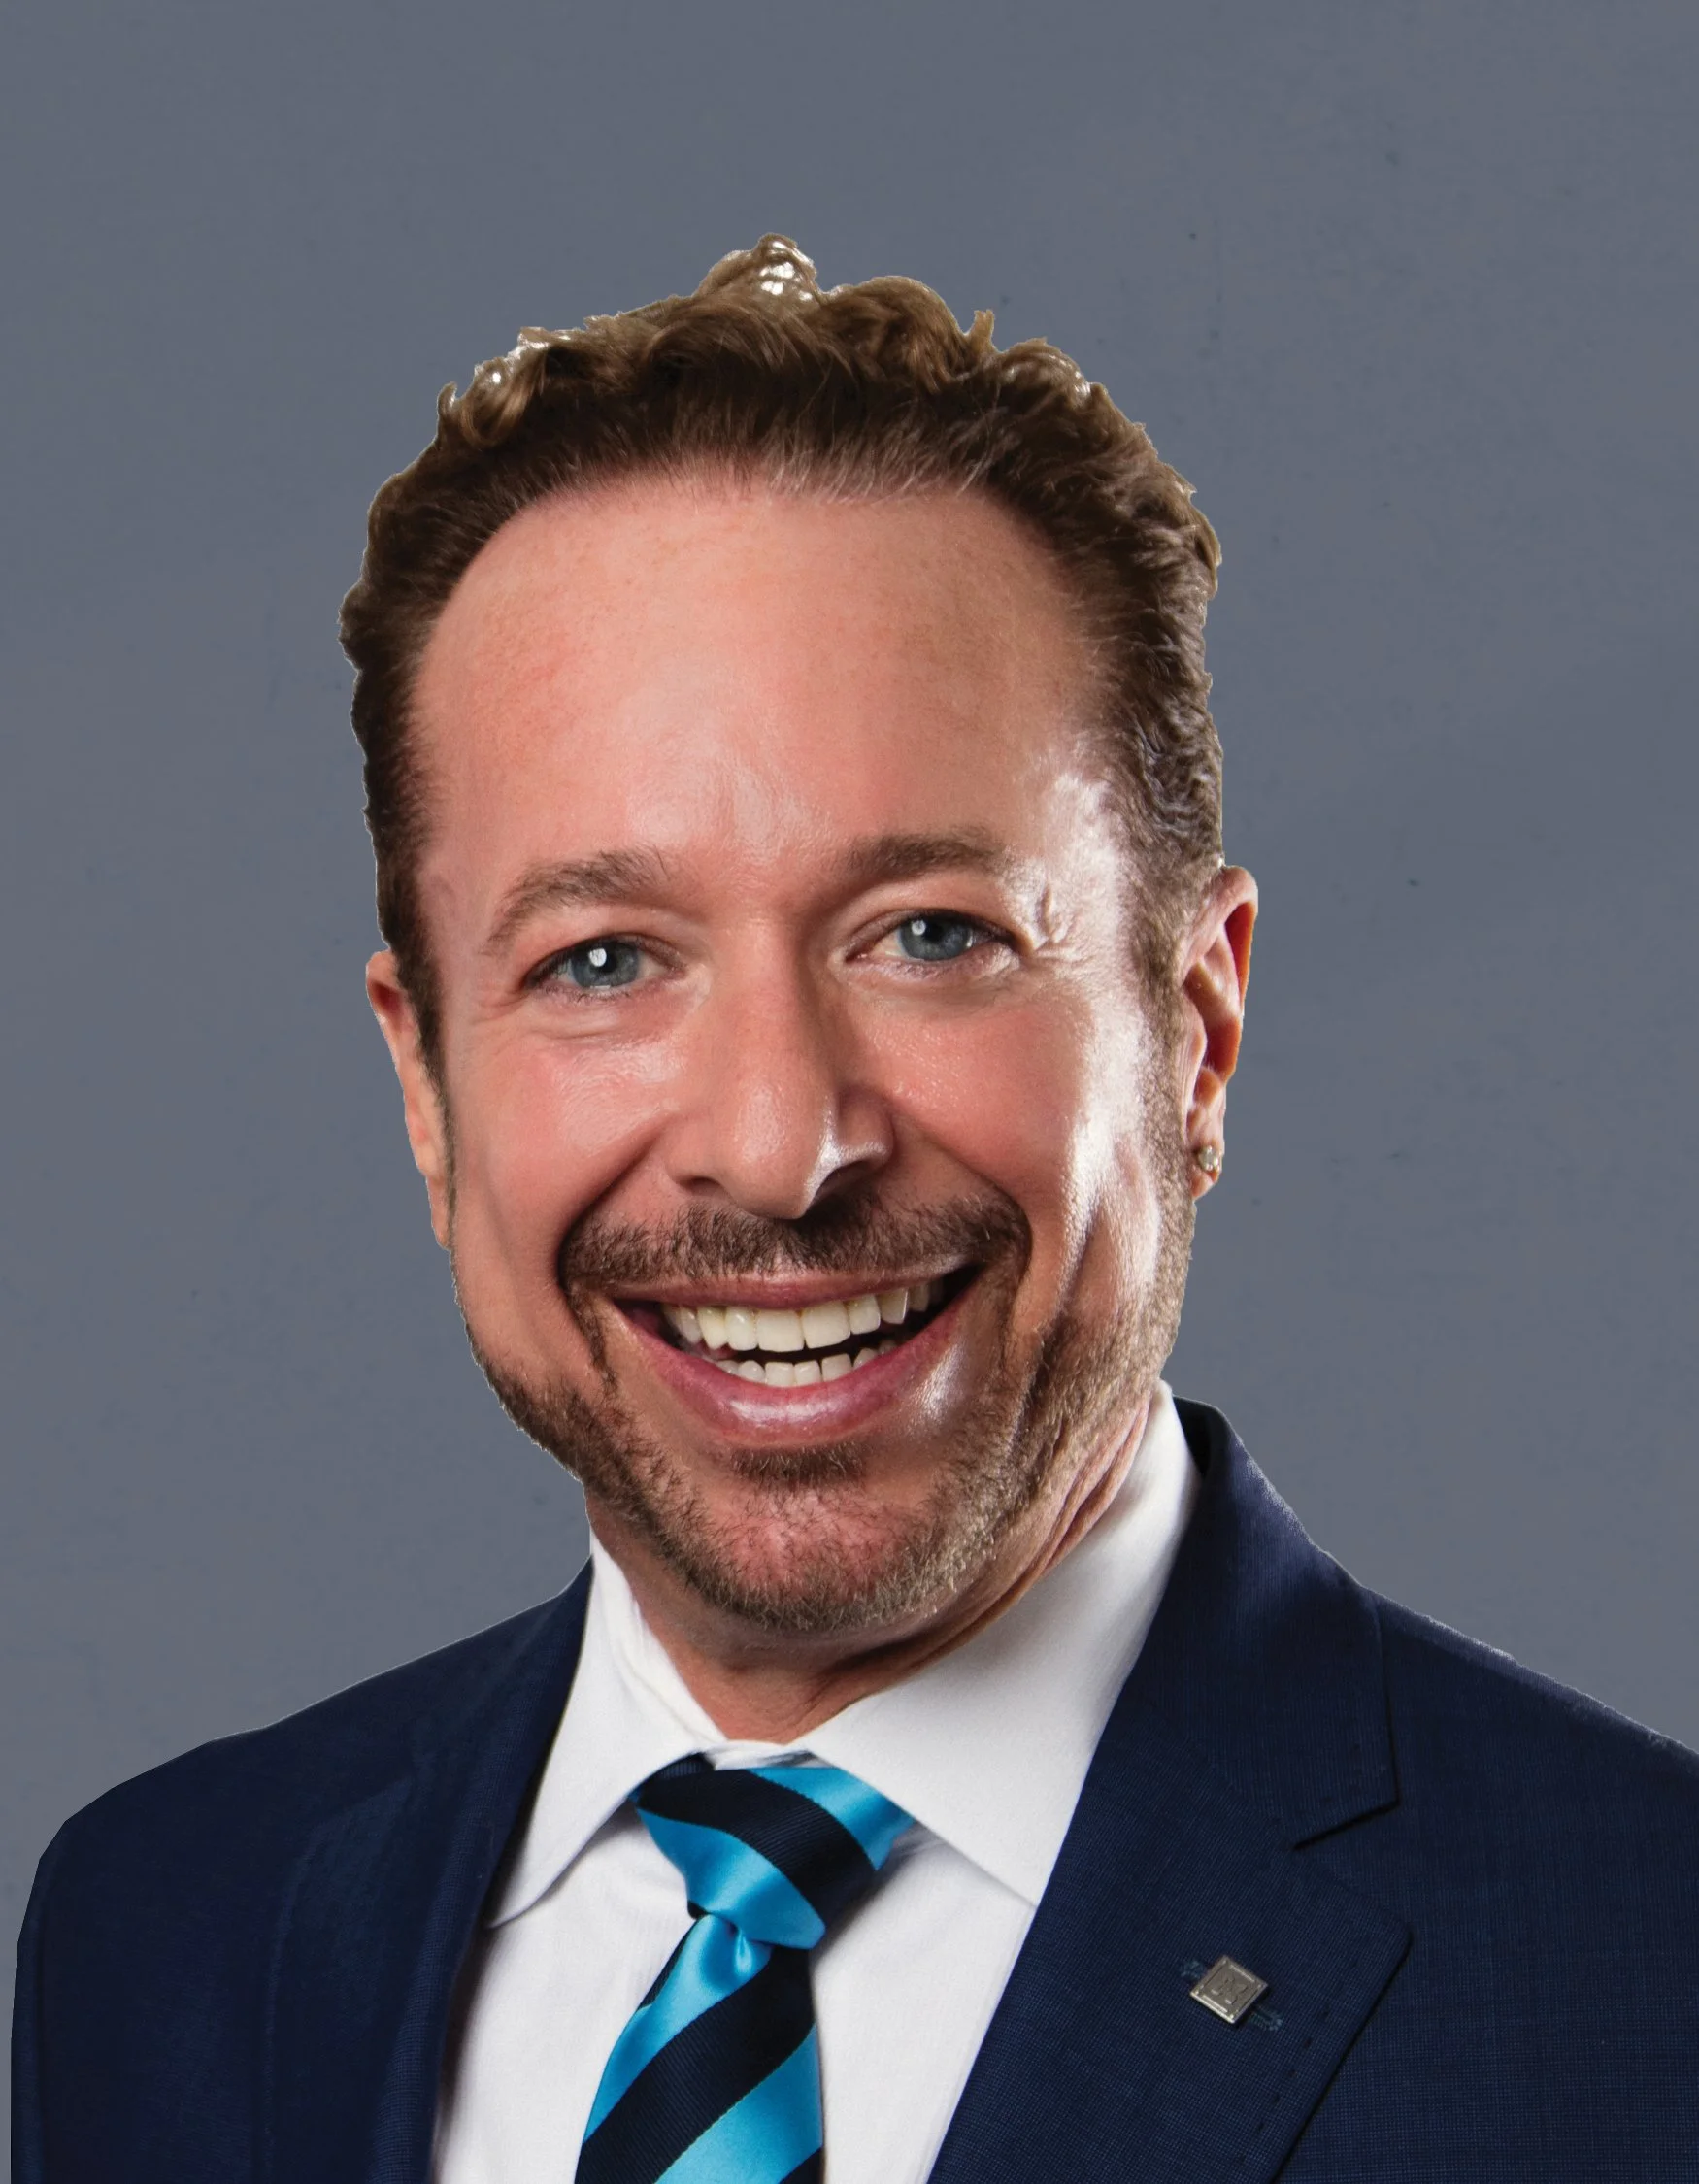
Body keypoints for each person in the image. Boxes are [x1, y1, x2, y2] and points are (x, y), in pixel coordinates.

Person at [13, 236, 1698, 2184]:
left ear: (1196, 1030)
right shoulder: (167, 1941)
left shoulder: (1643, 1985)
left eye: (928, 936)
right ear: (424, 1079)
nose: (775, 1140)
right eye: (599, 960)